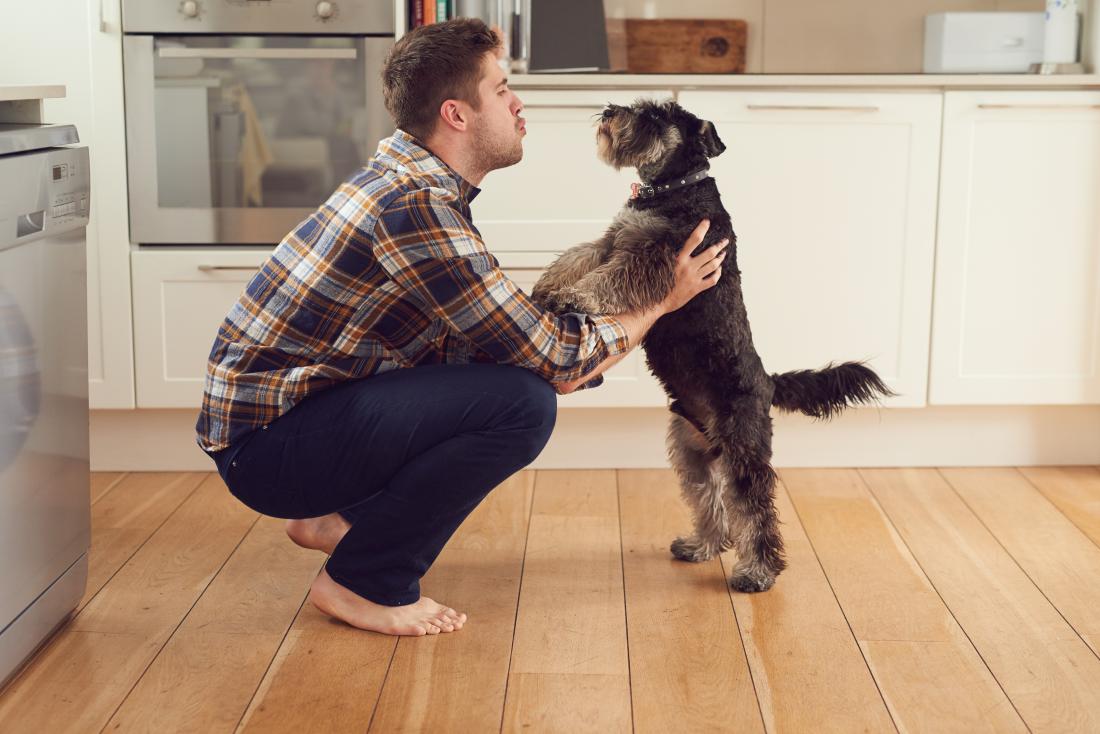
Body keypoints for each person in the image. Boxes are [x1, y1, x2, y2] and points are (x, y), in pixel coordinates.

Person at [194, 18, 728, 637]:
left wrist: (568, 352)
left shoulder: (419, 186)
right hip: (268, 452)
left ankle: (339, 519)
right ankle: (362, 580)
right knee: (522, 405)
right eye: (501, 89)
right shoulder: (416, 208)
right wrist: (661, 299)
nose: (518, 101)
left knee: (506, 373)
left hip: (288, 424)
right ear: (457, 114)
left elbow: (503, 338)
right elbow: (554, 362)